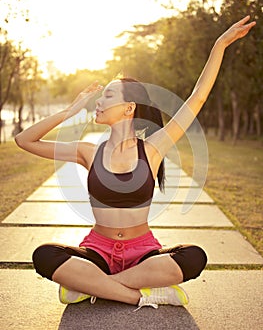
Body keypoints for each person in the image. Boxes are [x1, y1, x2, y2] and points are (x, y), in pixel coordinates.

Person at [15, 16, 255, 310]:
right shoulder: (87, 152)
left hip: (143, 253)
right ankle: (141, 294)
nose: (98, 102)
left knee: (194, 256)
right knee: (44, 255)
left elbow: (198, 98)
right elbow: (25, 140)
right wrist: (69, 111)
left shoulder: (153, 149)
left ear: (129, 107)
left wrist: (220, 45)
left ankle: (90, 286)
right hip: (97, 252)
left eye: (108, 96)